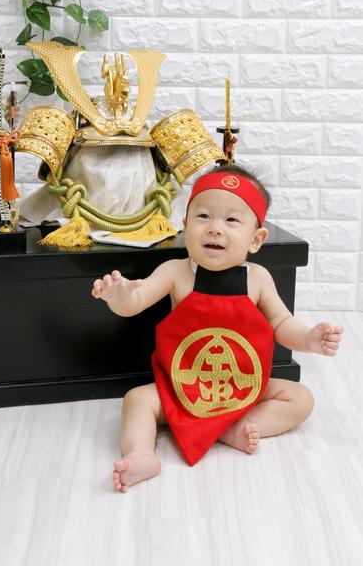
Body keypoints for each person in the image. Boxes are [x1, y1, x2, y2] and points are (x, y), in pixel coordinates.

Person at [91, 164, 344, 493]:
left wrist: (308, 338)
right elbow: (135, 302)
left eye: (231, 220)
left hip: (241, 386)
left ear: (256, 239)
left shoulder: (258, 279)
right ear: (184, 226)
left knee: (301, 398)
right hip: (181, 387)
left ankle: (237, 426)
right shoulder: (176, 272)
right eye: (204, 216)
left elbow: (282, 323)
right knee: (137, 399)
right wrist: (119, 296)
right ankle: (141, 454)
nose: (214, 228)